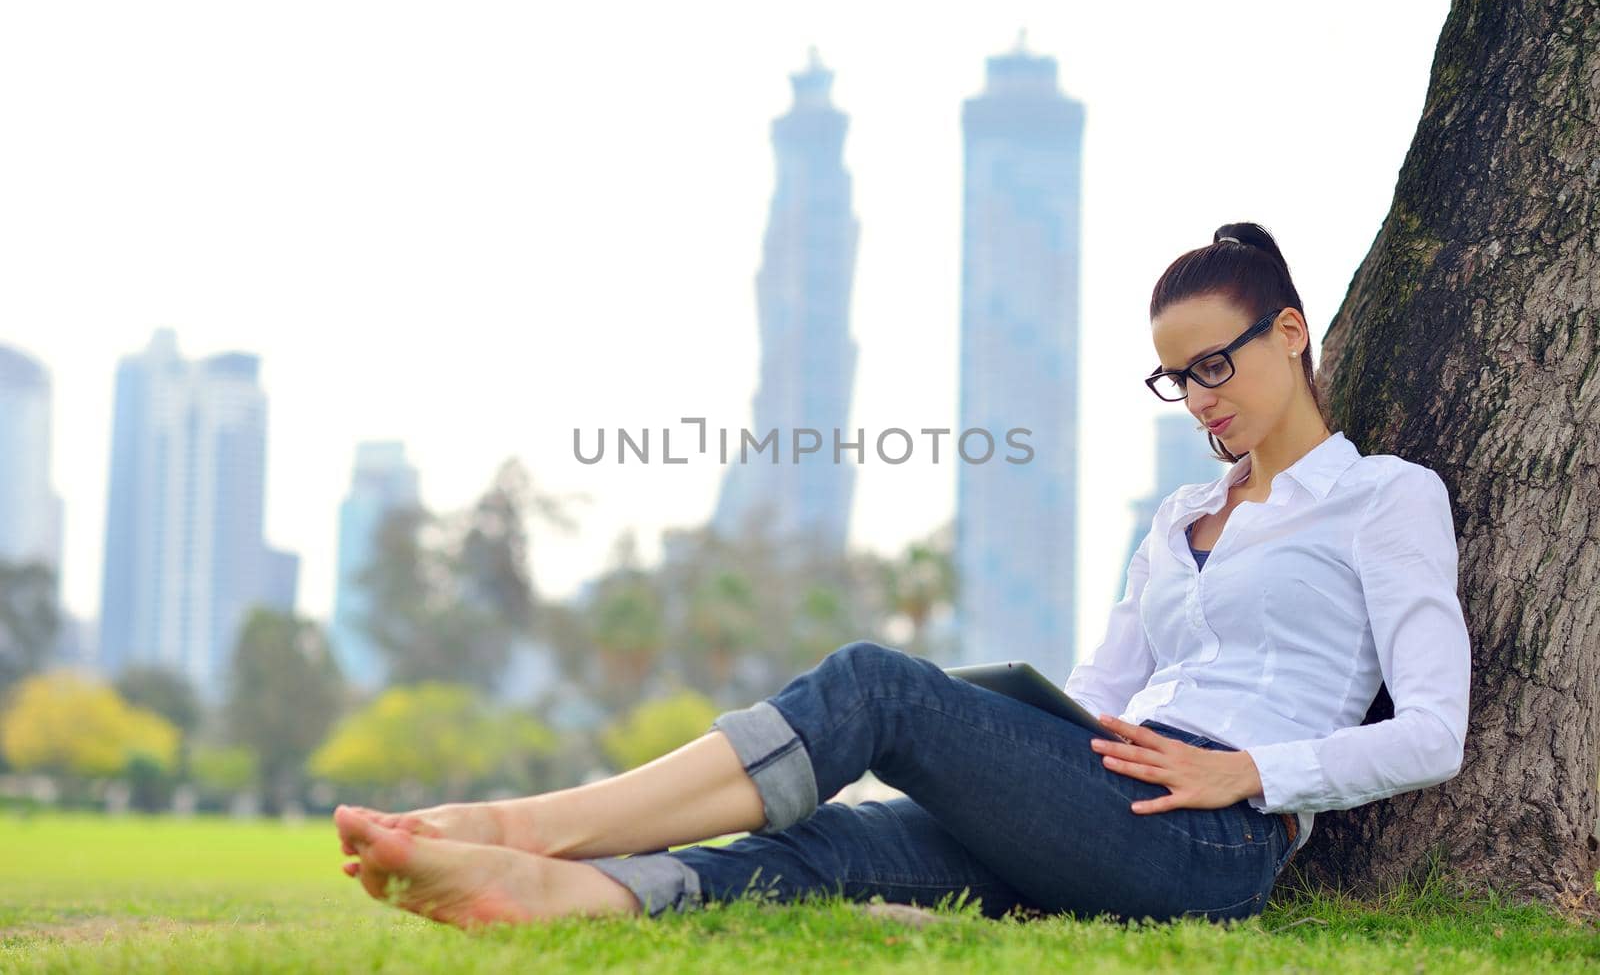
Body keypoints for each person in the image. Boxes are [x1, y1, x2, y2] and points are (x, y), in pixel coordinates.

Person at [331, 222, 1472, 930]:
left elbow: (1434, 731)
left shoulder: (1385, 498)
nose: (1200, 396)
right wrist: (1030, 745)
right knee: (832, 845)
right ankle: (550, 896)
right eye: (1175, 379)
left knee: (875, 684)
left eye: (1216, 364)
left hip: (1211, 843)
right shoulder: (1180, 518)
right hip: (1099, 805)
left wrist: (1247, 778)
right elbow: (1098, 688)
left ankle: (530, 828)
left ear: (1289, 332)